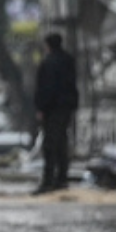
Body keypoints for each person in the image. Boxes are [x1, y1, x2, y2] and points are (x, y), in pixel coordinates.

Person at [33, 33, 79, 194]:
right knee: (61, 144)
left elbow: (45, 88)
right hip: (66, 108)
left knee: (50, 145)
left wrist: (41, 108)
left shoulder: (48, 63)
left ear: (48, 45)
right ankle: (61, 179)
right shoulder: (68, 60)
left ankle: (48, 181)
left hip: (52, 109)